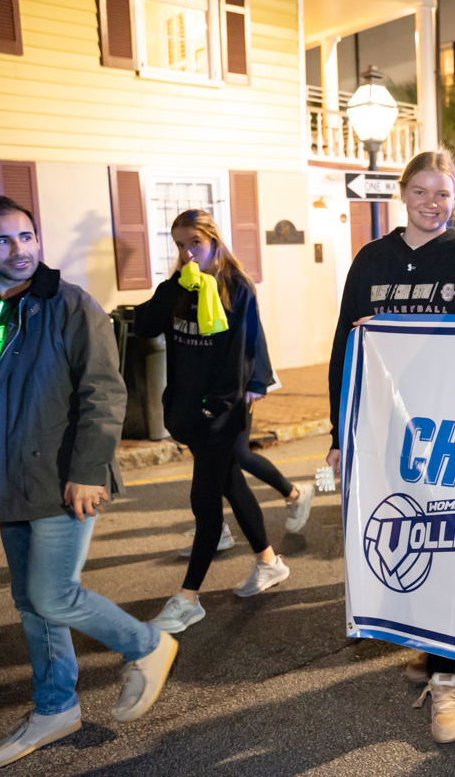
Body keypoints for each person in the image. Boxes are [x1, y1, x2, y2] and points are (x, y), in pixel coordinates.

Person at [0, 196, 178, 772]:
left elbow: (105, 393)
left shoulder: (68, 305)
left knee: (52, 594)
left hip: (63, 478)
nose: (19, 250)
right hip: (8, 480)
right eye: (2, 240)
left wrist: (88, 471)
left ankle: (149, 644)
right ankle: (55, 707)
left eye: (26, 236)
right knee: (30, 602)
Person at [326, 148, 455, 743]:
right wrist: (337, 430)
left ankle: (450, 681)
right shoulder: (372, 259)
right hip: (381, 428)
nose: (433, 202)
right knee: (405, 540)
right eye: (422, 190)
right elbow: (345, 348)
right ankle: (430, 646)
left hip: (449, 434)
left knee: (447, 546)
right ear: (403, 193)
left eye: (443, 192)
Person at [134, 210, 291, 633]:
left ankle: (188, 598)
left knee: (205, 503)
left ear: (215, 243)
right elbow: (144, 327)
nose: (187, 253)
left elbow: (240, 356)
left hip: (219, 416)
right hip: (185, 411)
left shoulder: (236, 288)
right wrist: (171, 287)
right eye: (180, 245)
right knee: (231, 484)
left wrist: (212, 410)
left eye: (195, 245)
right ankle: (269, 562)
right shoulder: (180, 288)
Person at [182, 329, 315, 559]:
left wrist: (257, 380)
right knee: (213, 458)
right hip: (209, 383)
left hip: (239, 380)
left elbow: (253, 329)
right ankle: (218, 529)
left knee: (238, 455)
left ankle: (294, 494)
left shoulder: (239, 292)